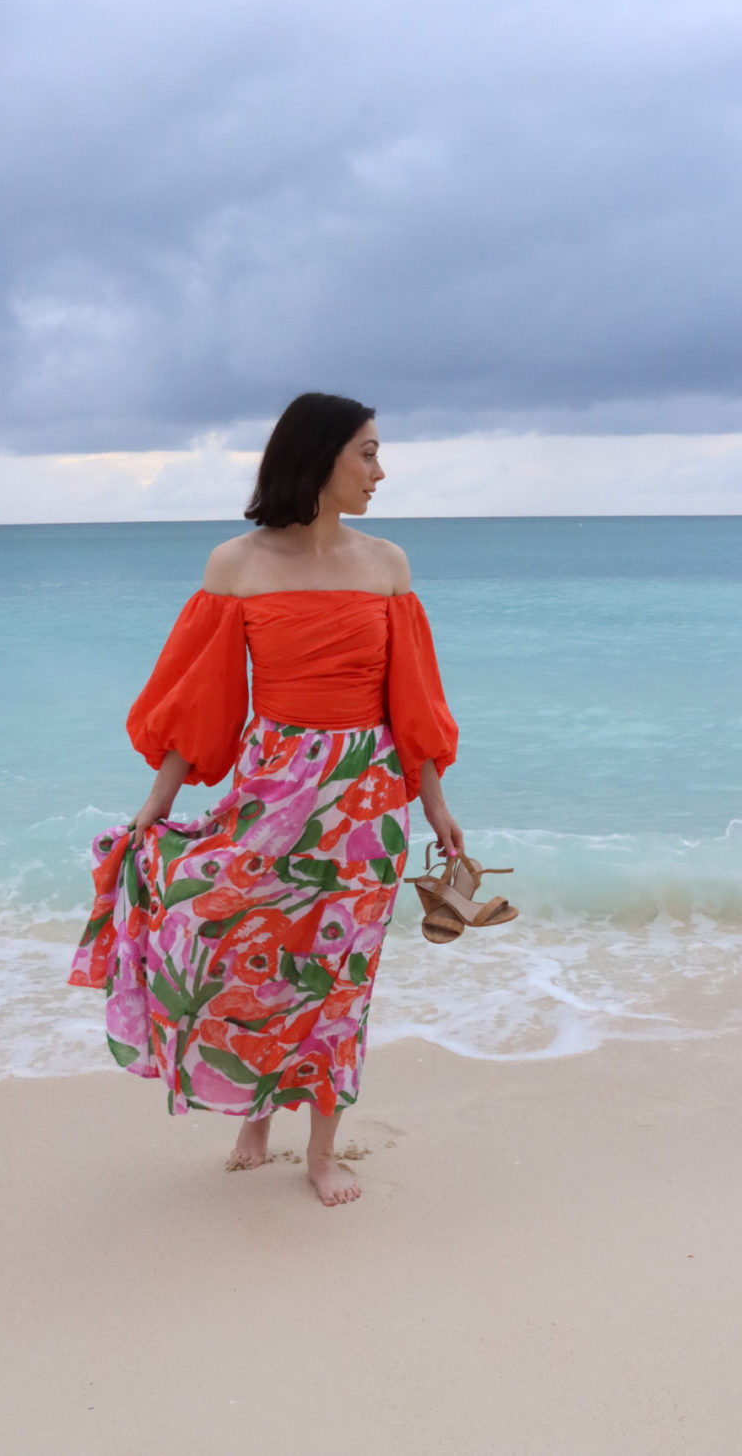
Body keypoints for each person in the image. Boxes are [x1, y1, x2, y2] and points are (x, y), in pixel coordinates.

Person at [69, 392, 462, 1206]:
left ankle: (320, 1151)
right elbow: (202, 702)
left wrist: (433, 807)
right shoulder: (237, 566)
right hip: (270, 794)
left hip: (364, 807)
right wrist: (156, 802)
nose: (380, 472)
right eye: (367, 453)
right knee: (239, 947)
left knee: (336, 980)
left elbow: (412, 703)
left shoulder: (387, 565)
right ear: (317, 460)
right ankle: (252, 1108)